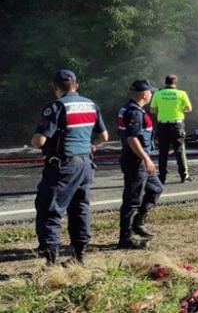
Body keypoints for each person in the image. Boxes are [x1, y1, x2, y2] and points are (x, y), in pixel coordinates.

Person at [32, 70, 108, 265]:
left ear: (55, 87)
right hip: (85, 163)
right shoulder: (91, 104)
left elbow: (40, 141)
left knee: (49, 209)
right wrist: (89, 145)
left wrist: (34, 140)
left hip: (63, 166)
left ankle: (51, 263)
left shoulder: (56, 106)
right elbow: (103, 137)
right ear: (77, 85)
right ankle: (78, 257)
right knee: (80, 208)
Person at [118, 80, 163, 249]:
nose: (152, 94)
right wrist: (146, 158)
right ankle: (125, 238)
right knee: (132, 199)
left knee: (155, 189)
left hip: (140, 160)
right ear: (145, 94)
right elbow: (132, 138)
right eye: (151, 92)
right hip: (136, 161)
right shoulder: (134, 112)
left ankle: (138, 221)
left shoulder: (130, 108)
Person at [150, 75, 193, 184]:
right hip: (177, 125)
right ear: (176, 83)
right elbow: (189, 108)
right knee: (179, 151)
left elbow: (153, 110)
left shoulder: (158, 94)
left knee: (163, 152)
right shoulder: (181, 93)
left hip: (163, 126)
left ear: (165, 82)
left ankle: (162, 177)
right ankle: (184, 175)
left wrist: (163, 110)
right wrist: (180, 109)